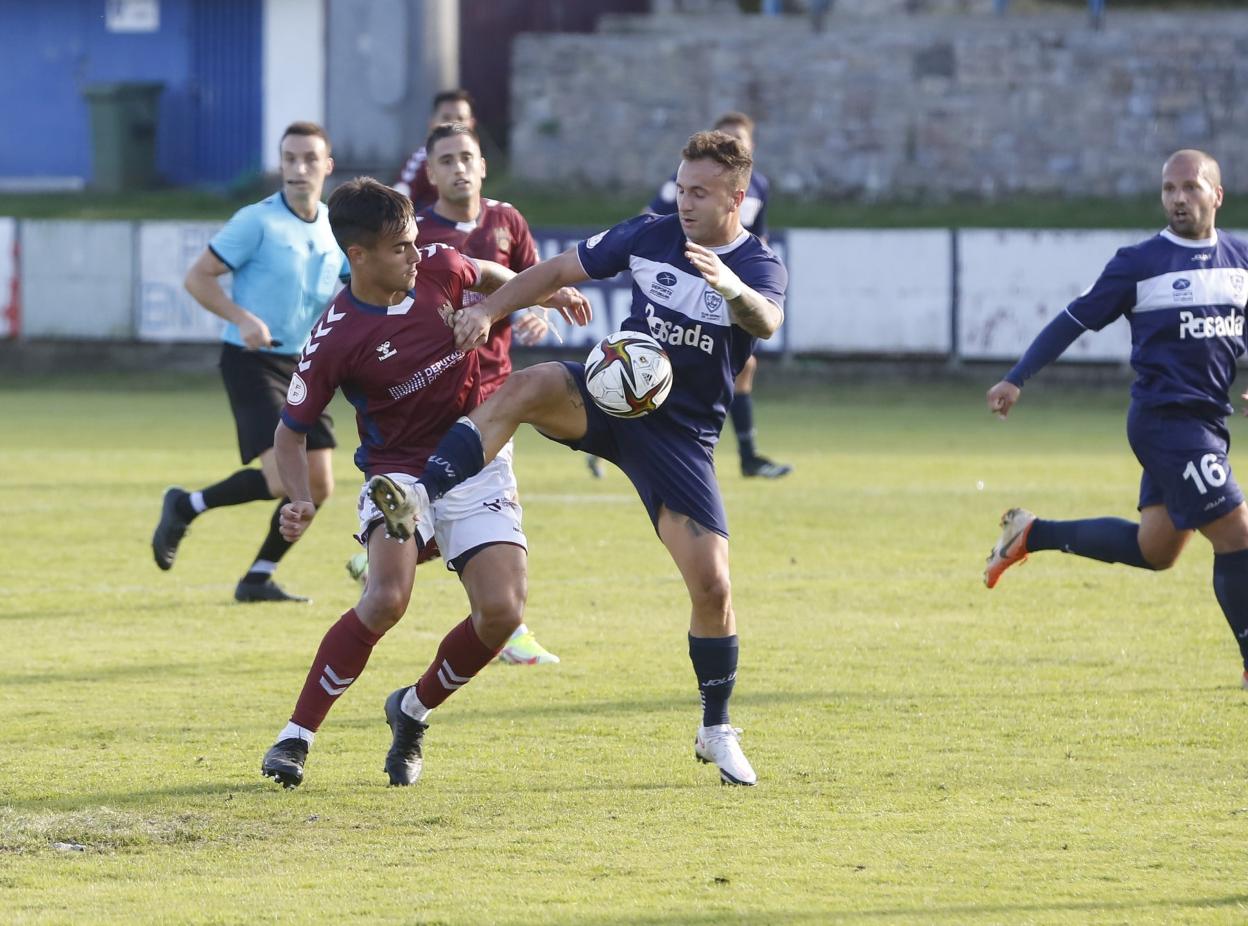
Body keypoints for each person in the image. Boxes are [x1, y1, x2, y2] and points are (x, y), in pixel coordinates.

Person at [376, 130, 788, 786]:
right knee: (526, 385)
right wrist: (489, 308)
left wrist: (732, 289)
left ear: (737, 197)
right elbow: (558, 270)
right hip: (608, 397)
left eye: (701, 192)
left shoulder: (759, 265)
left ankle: (715, 729)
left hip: (679, 438)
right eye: (681, 187)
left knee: (712, 585)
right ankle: (422, 500)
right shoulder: (651, 234)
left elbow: (766, 320)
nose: (685, 201)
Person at [259, 177, 587, 788]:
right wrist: (300, 499)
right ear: (358, 256)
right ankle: (295, 738)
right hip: (399, 475)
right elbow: (290, 432)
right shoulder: (336, 337)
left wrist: (534, 298)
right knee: (386, 598)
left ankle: (411, 711)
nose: (417, 253)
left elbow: (488, 271)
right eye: (400, 247)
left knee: (502, 612)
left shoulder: (436, 264)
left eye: (415, 242)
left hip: (478, 459)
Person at [984, 149, 1248, 688]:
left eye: (1191, 188)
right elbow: (1070, 321)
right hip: (1164, 423)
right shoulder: (1139, 263)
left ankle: (1031, 533)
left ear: (1216, 195)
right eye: (1169, 189)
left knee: (1157, 551)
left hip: (1208, 424)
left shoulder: (1241, 259)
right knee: (1237, 533)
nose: (1178, 198)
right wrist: (1016, 377)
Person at [347, 121, 560, 666]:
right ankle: (389, 546)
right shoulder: (416, 238)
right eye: (446, 159)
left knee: (482, 503)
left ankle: (504, 620)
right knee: (446, 496)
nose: (459, 167)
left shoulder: (507, 220)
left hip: (490, 400)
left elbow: (528, 280)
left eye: (468, 156)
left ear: (483, 164)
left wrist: (531, 309)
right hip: (425, 402)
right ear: (431, 172)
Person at [151, 122, 345, 603]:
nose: (298, 168)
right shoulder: (255, 221)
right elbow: (198, 278)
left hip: (305, 365)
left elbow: (357, 288)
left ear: (327, 166)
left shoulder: (334, 227)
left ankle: (256, 575)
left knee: (317, 486)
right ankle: (185, 505)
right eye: (289, 158)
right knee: (283, 479)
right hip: (251, 360)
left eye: (308, 158)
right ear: (280, 164)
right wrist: (241, 318)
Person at [645, 111, 790, 480]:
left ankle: (747, 455)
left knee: (743, 367)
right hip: (685, 283)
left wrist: (756, 279)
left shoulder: (759, 186)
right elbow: (653, 221)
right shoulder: (691, 182)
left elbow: (757, 236)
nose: (733, 145)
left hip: (732, 291)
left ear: (750, 147)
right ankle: (620, 417)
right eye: (726, 138)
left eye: (740, 140)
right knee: (661, 362)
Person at [392, 88, 476, 210]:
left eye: (461, 118)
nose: (453, 124)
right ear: (432, 123)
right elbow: (400, 193)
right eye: (446, 118)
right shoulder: (423, 160)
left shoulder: (476, 161)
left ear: (471, 124)